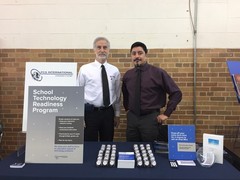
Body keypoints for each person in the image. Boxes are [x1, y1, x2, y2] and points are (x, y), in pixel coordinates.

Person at [122, 41, 182, 142]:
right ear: (131, 56)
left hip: (150, 119)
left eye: (140, 53)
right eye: (134, 53)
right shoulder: (128, 75)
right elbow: (126, 94)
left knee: (150, 150)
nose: (137, 56)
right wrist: (128, 110)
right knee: (131, 147)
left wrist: (167, 113)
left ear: (146, 54)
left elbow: (176, 93)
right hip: (132, 119)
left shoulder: (158, 73)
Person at [77, 37, 121, 141]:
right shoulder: (85, 69)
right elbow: (78, 93)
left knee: (107, 143)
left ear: (109, 50)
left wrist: (117, 114)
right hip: (90, 114)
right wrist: (79, 116)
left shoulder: (114, 71)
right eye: (99, 47)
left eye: (105, 47)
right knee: (89, 144)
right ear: (94, 50)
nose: (102, 50)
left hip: (108, 113)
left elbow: (118, 95)